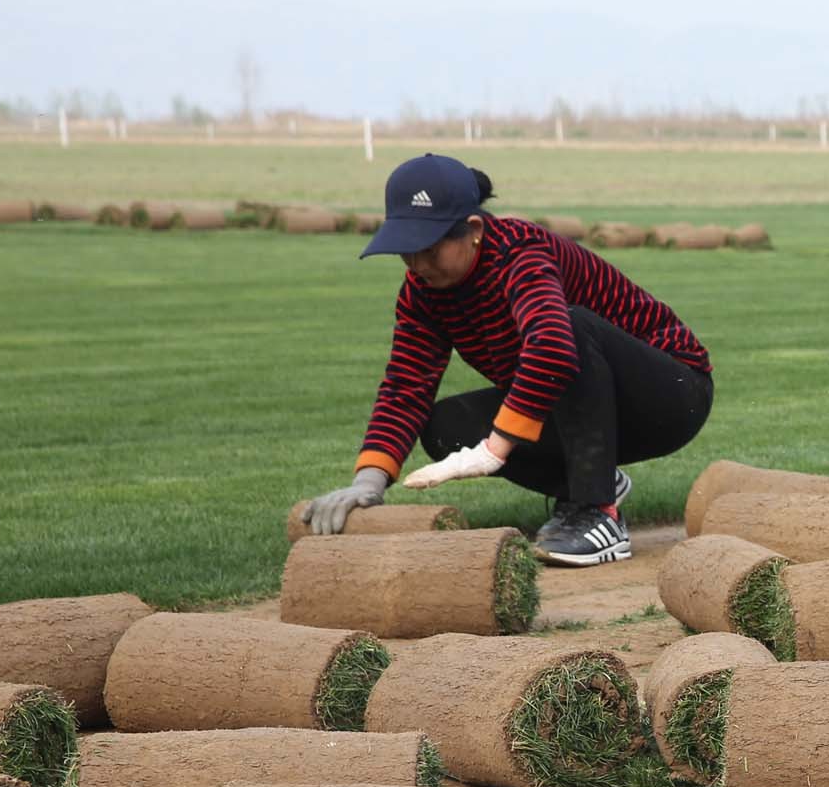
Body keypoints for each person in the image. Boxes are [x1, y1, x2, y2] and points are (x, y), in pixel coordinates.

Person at [301, 153, 713, 566]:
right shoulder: (422, 293)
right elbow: (405, 386)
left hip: (673, 395)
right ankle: (593, 480)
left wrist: (493, 450)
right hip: (586, 410)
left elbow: (553, 348)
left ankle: (597, 512)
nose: (418, 265)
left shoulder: (520, 254)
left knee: (568, 327)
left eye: (430, 249)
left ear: (474, 230)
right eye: (406, 251)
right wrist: (368, 482)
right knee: (445, 428)